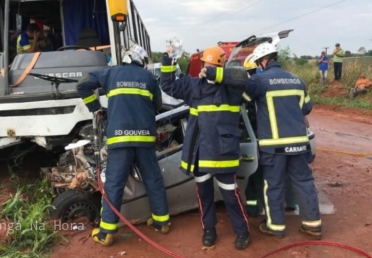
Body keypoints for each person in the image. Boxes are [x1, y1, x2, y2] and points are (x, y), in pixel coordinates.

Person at [76, 44, 171, 247]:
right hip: (145, 139)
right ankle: (162, 223)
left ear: (126, 58)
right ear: (143, 62)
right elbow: (158, 106)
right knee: (153, 179)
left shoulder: (111, 73)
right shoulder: (149, 78)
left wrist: (96, 108)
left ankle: (107, 233)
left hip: (119, 140)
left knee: (114, 184)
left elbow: (83, 84)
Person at [160, 45, 251, 250]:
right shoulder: (194, 86)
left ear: (220, 65)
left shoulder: (230, 88)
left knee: (230, 194)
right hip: (200, 152)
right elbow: (168, 85)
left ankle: (242, 231)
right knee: (204, 194)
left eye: (210, 64)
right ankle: (209, 230)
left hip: (223, 152)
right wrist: (167, 60)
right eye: (205, 64)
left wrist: (214, 73)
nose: (205, 68)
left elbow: (241, 76)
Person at [241, 42, 322, 240]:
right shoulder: (297, 80)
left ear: (263, 61)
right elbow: (306, 108)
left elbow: (244, 101)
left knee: (274, 185)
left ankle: (275, 226)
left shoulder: (259, 81)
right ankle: (313, 226)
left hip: (273, 145)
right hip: (300, 143)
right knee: (304, 182)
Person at [241, 54, 298, 217]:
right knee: (285, 173)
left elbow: (246, 105)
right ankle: (286, 203)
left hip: (265, 140)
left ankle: (272, 213)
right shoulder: (279, 82)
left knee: (263, 178)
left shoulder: (256, 86)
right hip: (286, 136)